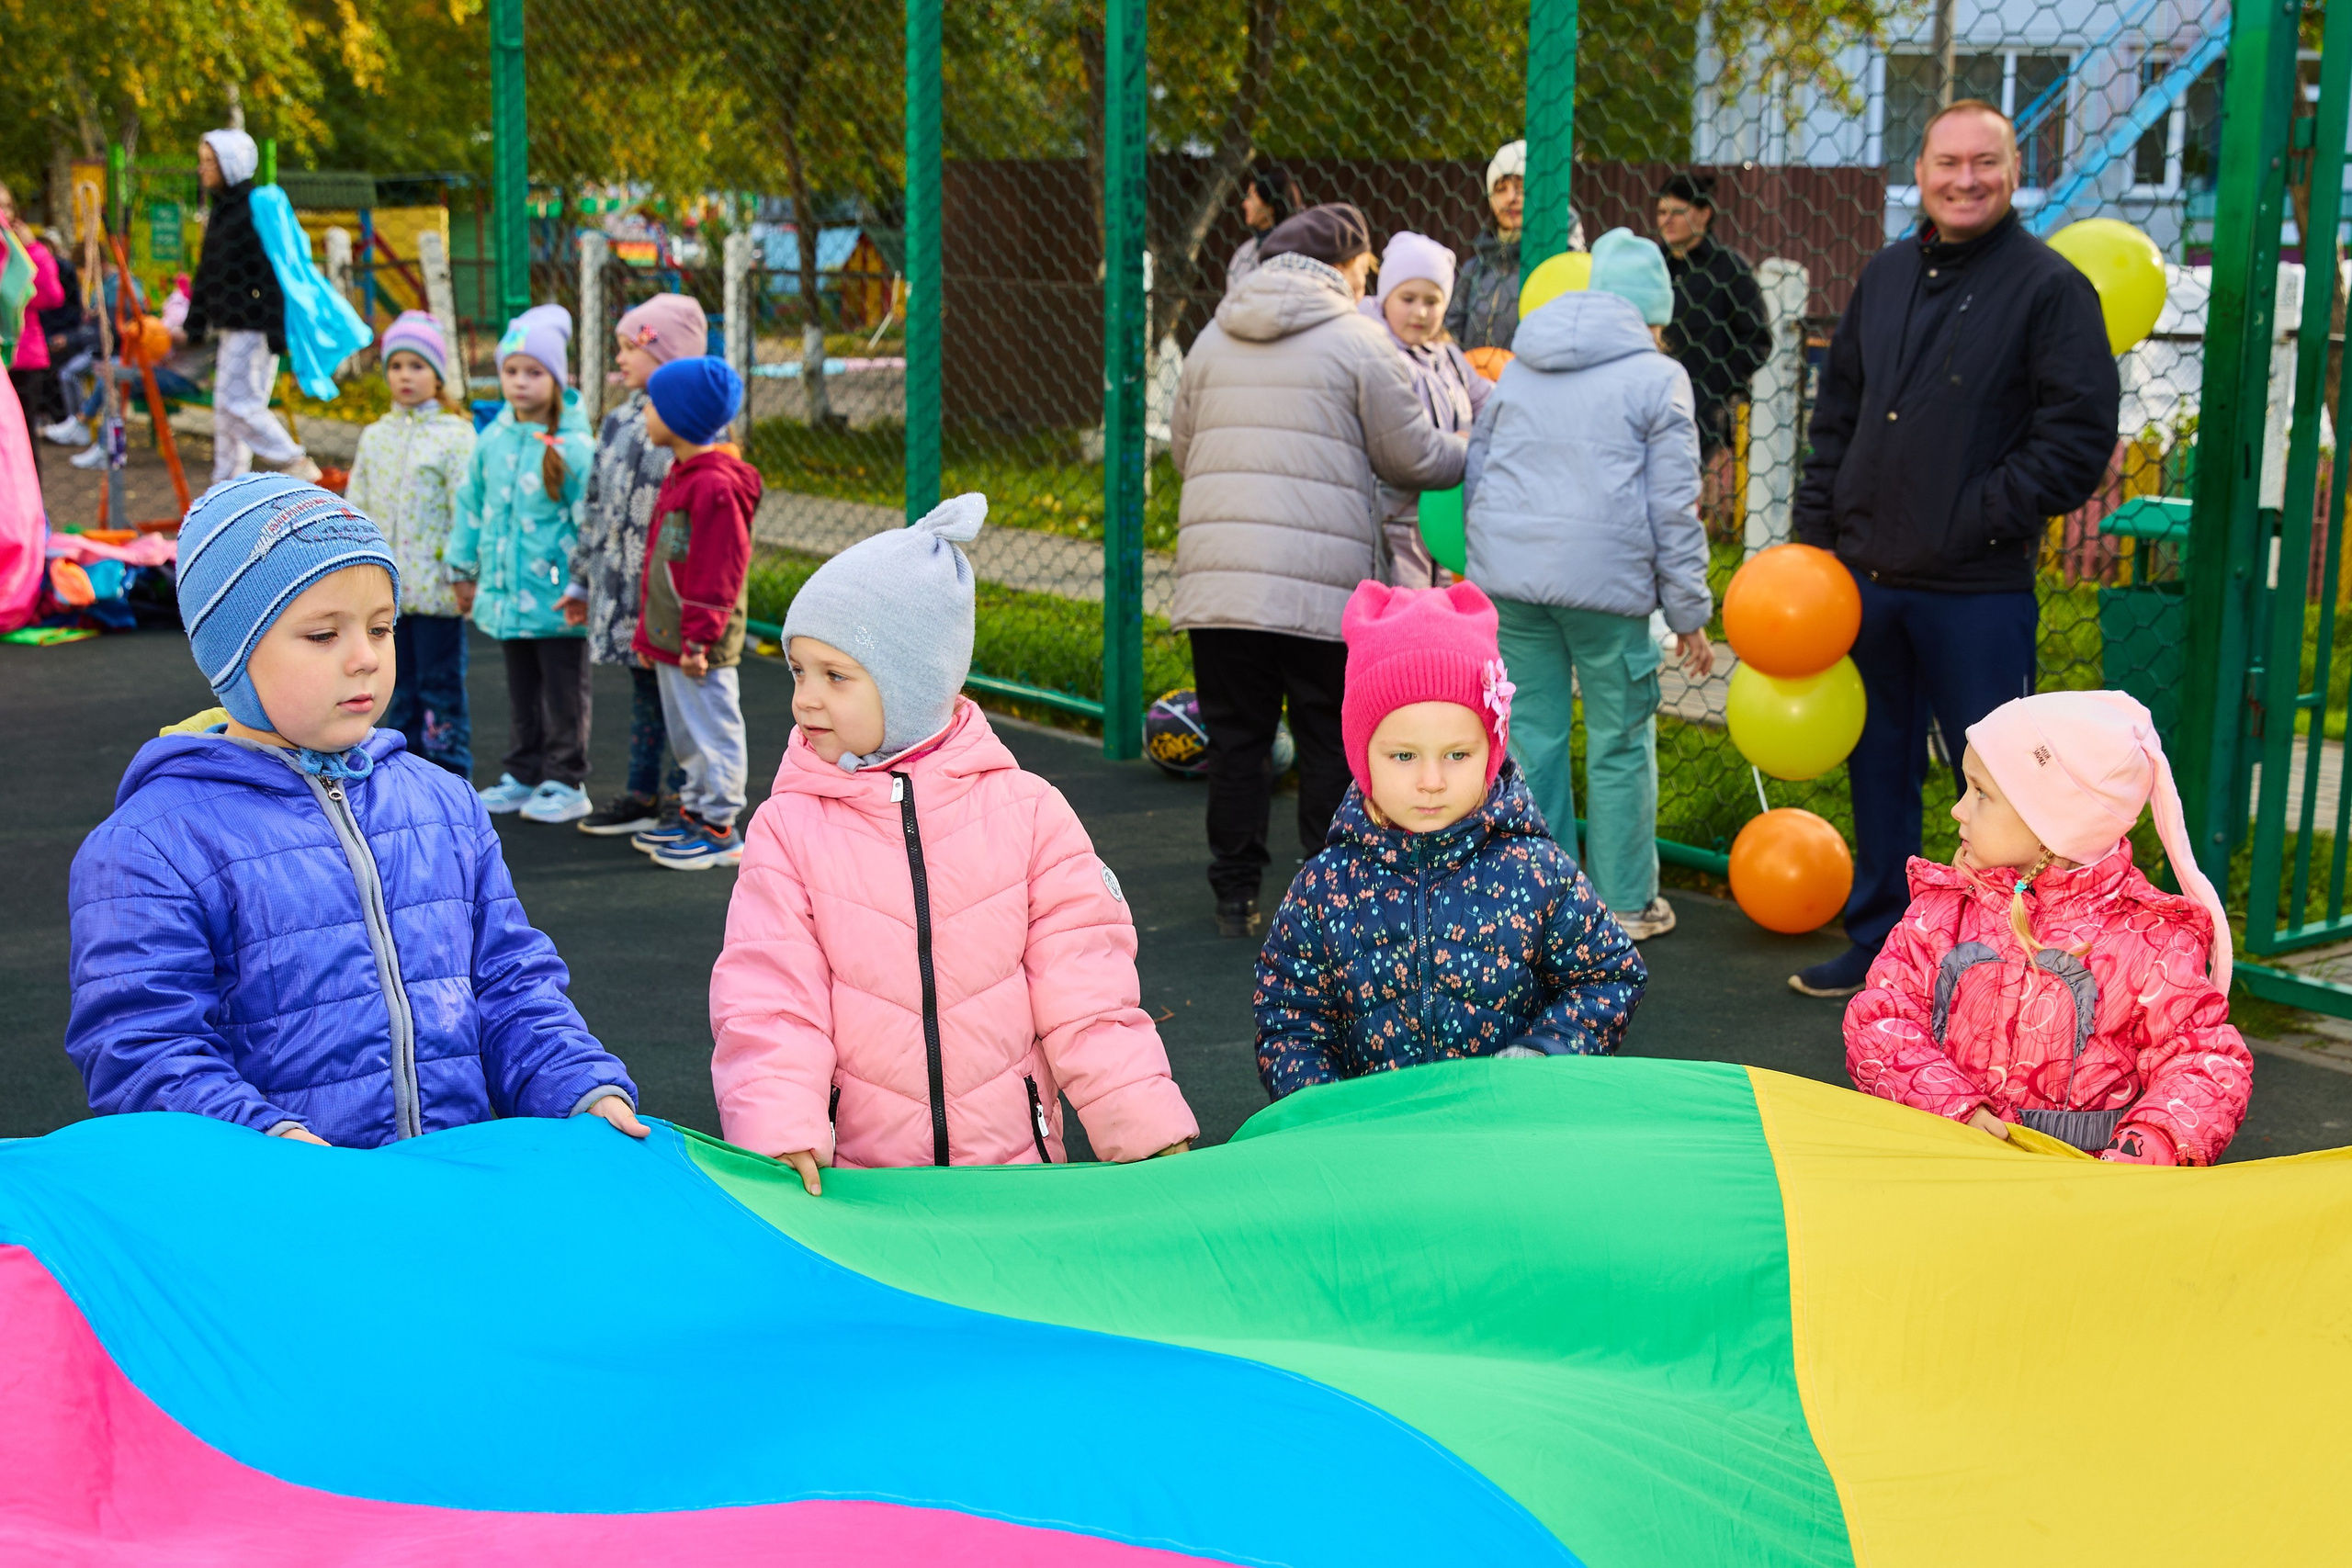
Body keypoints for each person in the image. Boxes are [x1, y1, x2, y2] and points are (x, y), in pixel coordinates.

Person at [62, 474, 645, 1149]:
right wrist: (266, 1140)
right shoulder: (151, 845)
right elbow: (140, 1047)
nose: (365, 657)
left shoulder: (443, 804)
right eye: (321, 635)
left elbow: (512, 985)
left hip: (445, 1193)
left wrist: (578, 1084)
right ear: (232, 655)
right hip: (284, 1213)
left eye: (380, 627)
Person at [708, 494, 1200, 1190]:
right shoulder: (790, 829)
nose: (805, 699)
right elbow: (770, 995)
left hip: (1012, 1178)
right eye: (799, 671)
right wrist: (781, 1128)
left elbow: (1087, 993)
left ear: (911, 683)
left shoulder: (1029, 814)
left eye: (835, 675)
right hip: (862, 1181)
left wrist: (1142, 1123)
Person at [1789, 100, 2120, 998]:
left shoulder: (2050, 288)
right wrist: (1816, 548)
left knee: (2006, 790)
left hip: (1976, 589)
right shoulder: (1886, 274)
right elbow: (1836, 420)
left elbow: (2076, 440)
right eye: (1946, 163)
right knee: (1878, 766)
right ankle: (1879, 946)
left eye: (1984, 162)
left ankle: (1994, 971)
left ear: (2014, 173)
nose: (1963, 179)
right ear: (1921, 170)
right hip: (1866, 581)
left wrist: (1976, 513)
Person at [1170, 203, 1469, 939]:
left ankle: (1235, 895)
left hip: (1220, 585)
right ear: (1348, 267)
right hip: (1321, 583)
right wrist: (1476, 445)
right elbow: (1413, 458)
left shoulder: (1212, 337)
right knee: (1328, 737)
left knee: (1236, 740)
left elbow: (1184, 450)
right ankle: (1328, 895)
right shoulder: (1360, 341)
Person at [1254, 581, 1646, 1100]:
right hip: (1372, 1146)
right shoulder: (1326, 887)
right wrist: (1320, 1104)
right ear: (1361, 757)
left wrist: (1543, 1055)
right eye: (1404, 756)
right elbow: (1288, 1017)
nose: (1432, 780)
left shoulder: (1535, 871)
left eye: (1457, 754)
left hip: (1505, 1140)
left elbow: (1609, 974)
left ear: (1492, 749)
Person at [1844, 691, 2251, 1165]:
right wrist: (1950, 1105)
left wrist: (2147, 1147)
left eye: (1980, 793)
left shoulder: (2151, 945)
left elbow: (2204, 1061)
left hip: (2077, 1190)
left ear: (2050, 824)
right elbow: (1881, 1017)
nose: (1958, 809)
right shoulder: (1943, 913)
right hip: (1945, 1160)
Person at [1466, 228, 1713, 942]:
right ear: (1654, 316)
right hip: (1606, 587)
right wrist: (1688, 610)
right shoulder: (1658, 376)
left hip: (1512, 580)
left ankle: (1538, 899)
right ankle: (1624, 903)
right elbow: (1675, 505)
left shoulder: (1524, 366)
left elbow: (1480, 468)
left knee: (1531, 735)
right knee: (1619, 738)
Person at [448, 304, 598, 824]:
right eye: (511, 371)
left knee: (562, 688)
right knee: (522, 688)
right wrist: (462, 571)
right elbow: (471, 508)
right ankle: (524, 769)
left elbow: (590, 524)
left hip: (557, 597)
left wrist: (583, 584)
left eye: (534, 372)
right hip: (507, 592)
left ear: (557, 379)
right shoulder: (492, 441)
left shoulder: (576, 448)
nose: (519, 382)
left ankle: (565, 776)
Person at [564, 293, 707, 837]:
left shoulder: (690, 425)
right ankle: (643, 791)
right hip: (625, 589)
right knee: (645, 692)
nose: (619, 358)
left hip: (669, 592)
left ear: (668, 355)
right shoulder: (619, 420)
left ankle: (683, 795)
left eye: (631, 347)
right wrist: (582, 579)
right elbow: (596, 502)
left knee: (682, 699)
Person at [624, 357, 760, 871]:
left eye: (654, 404)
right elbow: (668, 561)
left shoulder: (715, 486)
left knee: (712, 727)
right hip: (677, 637)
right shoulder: (684, 474)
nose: (646, 413)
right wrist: (653, 634)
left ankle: (721, 826)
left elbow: (716, 570)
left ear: (681, 415)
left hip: (699, 642)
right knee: (687, 731)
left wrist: (699, 637)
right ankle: (698, 810)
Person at [344, 310, 478, 777]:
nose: (405, 375)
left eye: (417, 366)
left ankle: (449, 774)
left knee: (440, 686)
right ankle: (399, 775)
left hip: (436, 590)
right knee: (393, 685)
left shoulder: (455, 436)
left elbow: (467, 509)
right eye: (396, 365)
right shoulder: (375, 436)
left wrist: (464, 573)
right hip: (385, 595)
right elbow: (355, 503)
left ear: (438, 376)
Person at [177, 129, 322, 485]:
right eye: (202, 161)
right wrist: (195, 321)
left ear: (231, 164)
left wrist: (276, 330)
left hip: (255, 327)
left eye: (210, 162)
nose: (203, 169)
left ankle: (293, 459)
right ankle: (226, 483)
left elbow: (272, 271)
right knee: (224, 412)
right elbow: (207, 272)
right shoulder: (222, 212)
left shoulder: (253, 209)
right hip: (231, 326)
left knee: (240, 405)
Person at [1362, 231, 1488, 588]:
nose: (1420, 311)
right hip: (1394, 525)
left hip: (1451, 525)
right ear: (1385, 296)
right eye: (1408, 298)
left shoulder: (1448, 359)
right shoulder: (1379, 355)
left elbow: (1491, 405)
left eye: (1432, 301)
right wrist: (1465, 444)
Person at [1653, 172, 1772, 525]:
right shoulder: (1652, 265)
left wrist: (1721, 388)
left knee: (1692, 506)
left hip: (1704, 411)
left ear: (1704, 214)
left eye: (1677, 211)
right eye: (1661, 212)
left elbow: (1758, 339)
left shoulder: (1730, 269)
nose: (1667, 220)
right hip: (1652, 400)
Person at [1444, 141, 1526, 355]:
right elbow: (1448, 332)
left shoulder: (1550, 264)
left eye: (1521, 187)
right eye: (1501, 189)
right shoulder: (1474, 269)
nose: (1511, 198)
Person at [0, 185, 65, 428]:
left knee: (23, 436)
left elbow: (52, 297)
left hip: (23, 357)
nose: (3, 212)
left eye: (7, 206)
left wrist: (33, 250)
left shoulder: (25, 254)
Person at [1223, 163, 1296, 294]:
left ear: (1270, 205)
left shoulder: (1295, 254)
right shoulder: (1244, 253)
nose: (1244, 204)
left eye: (1251, 197)